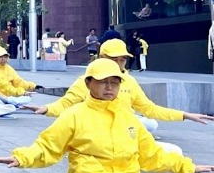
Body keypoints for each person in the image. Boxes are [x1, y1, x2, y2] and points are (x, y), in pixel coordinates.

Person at [0, 59, 214, 173]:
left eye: (115, 82)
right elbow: (47, 146)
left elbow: (152, 155)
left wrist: (188, 167)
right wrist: (21, 158)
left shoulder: (128, 118)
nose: (109, 87)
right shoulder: (74, 115)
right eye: (102, 82)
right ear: (88, 83)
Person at [22, 38, 213, 141]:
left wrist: (185, 115)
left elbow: (150, 108)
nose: (119, 63)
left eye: (122, 59)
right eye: (114, 59)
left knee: (152, 127)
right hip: (95, 128)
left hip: (123, 125)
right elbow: (66, 103)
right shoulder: (88, 80)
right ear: (102, 57)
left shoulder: (128, 81)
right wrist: (46, 109)